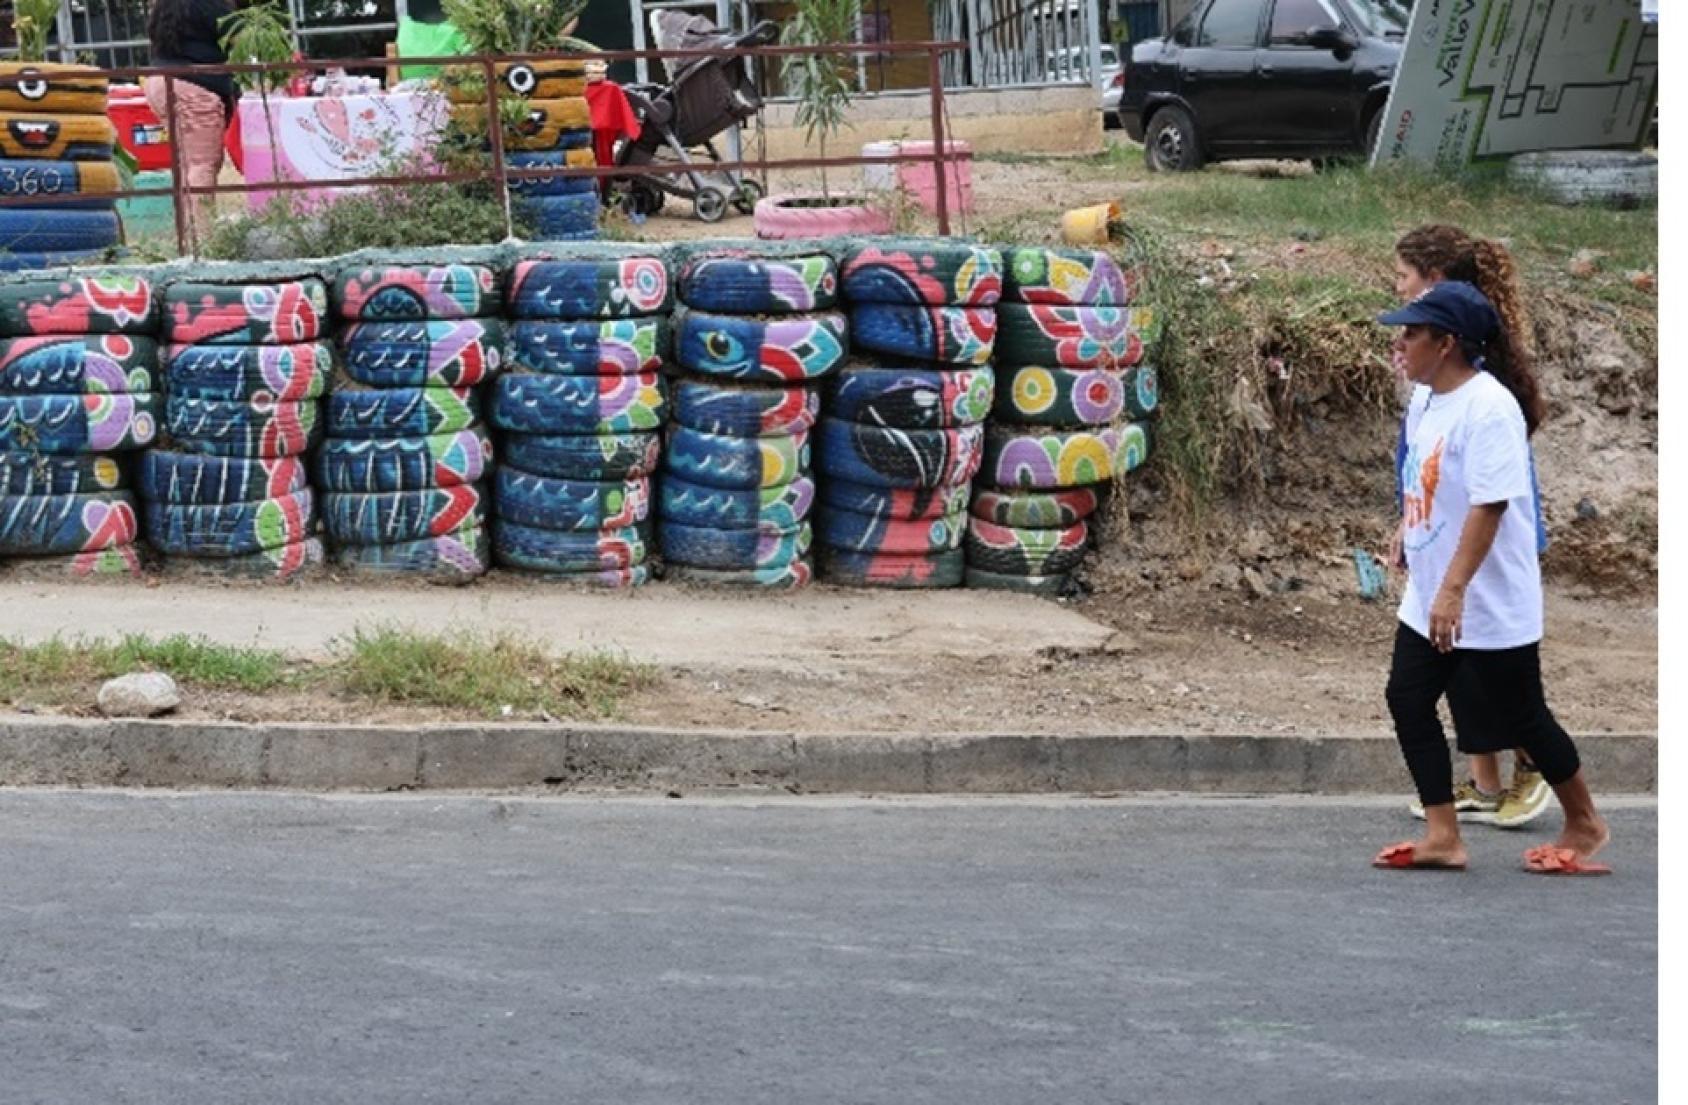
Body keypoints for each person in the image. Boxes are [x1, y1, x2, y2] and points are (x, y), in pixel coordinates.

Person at [1372, 280, 1610, 875]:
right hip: (1430, 591)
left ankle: (1585, 821)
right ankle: (1443, 834)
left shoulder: (1490, 408)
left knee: (1523, 715)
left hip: (1487, 595)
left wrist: (1454, 589)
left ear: (1447, 342)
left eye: (1412, 333)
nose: (1400, 344)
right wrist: (1408, 528)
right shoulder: (1426, 397)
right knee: (1407, 697)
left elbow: (1490, 505)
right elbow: (1426, 473)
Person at [1390, 225, 1551, 829]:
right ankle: (1485, 785)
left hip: (1479, 542)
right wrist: (1408, 525)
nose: (1398, 290)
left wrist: (1452, 574)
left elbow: (1491, 497)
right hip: (1440, 533)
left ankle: (1535, 771)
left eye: (1405, 278)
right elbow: (1419, 459)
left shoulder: (1480, 388)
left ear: (1435, 285)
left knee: (1495, 665)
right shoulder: (1437, 365)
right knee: (1454, 658)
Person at [146, 0, 237, 244]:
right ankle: (204, 243)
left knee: (187, 166)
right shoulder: (208, 5)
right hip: (195, 86)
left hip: (161, 82)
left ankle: (189, 236)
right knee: (202, 165)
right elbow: (236, 35)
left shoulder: (163, 6)